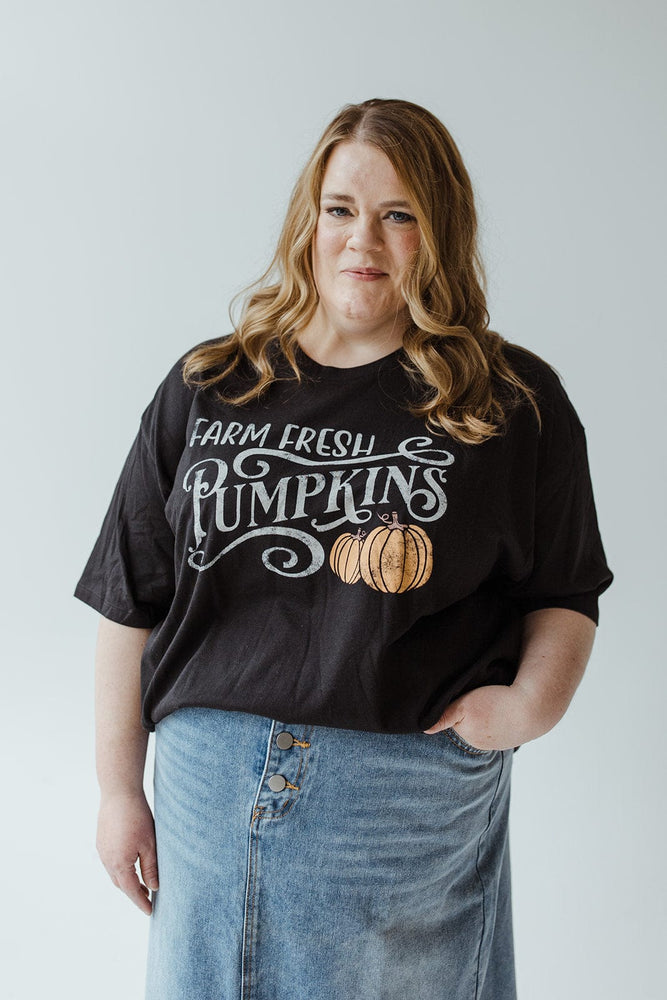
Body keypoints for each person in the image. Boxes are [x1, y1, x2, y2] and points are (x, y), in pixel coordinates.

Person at [75, 97, 613, 1000]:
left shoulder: (509, 400)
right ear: (309, 220)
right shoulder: (213, 384)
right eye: (340, 209)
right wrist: (119, 790)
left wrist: (527, 709)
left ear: (437, 233)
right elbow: (131, 597)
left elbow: (563, 588)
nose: (362, 238)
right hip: (204, 800)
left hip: (397, 811)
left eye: (398, 215)